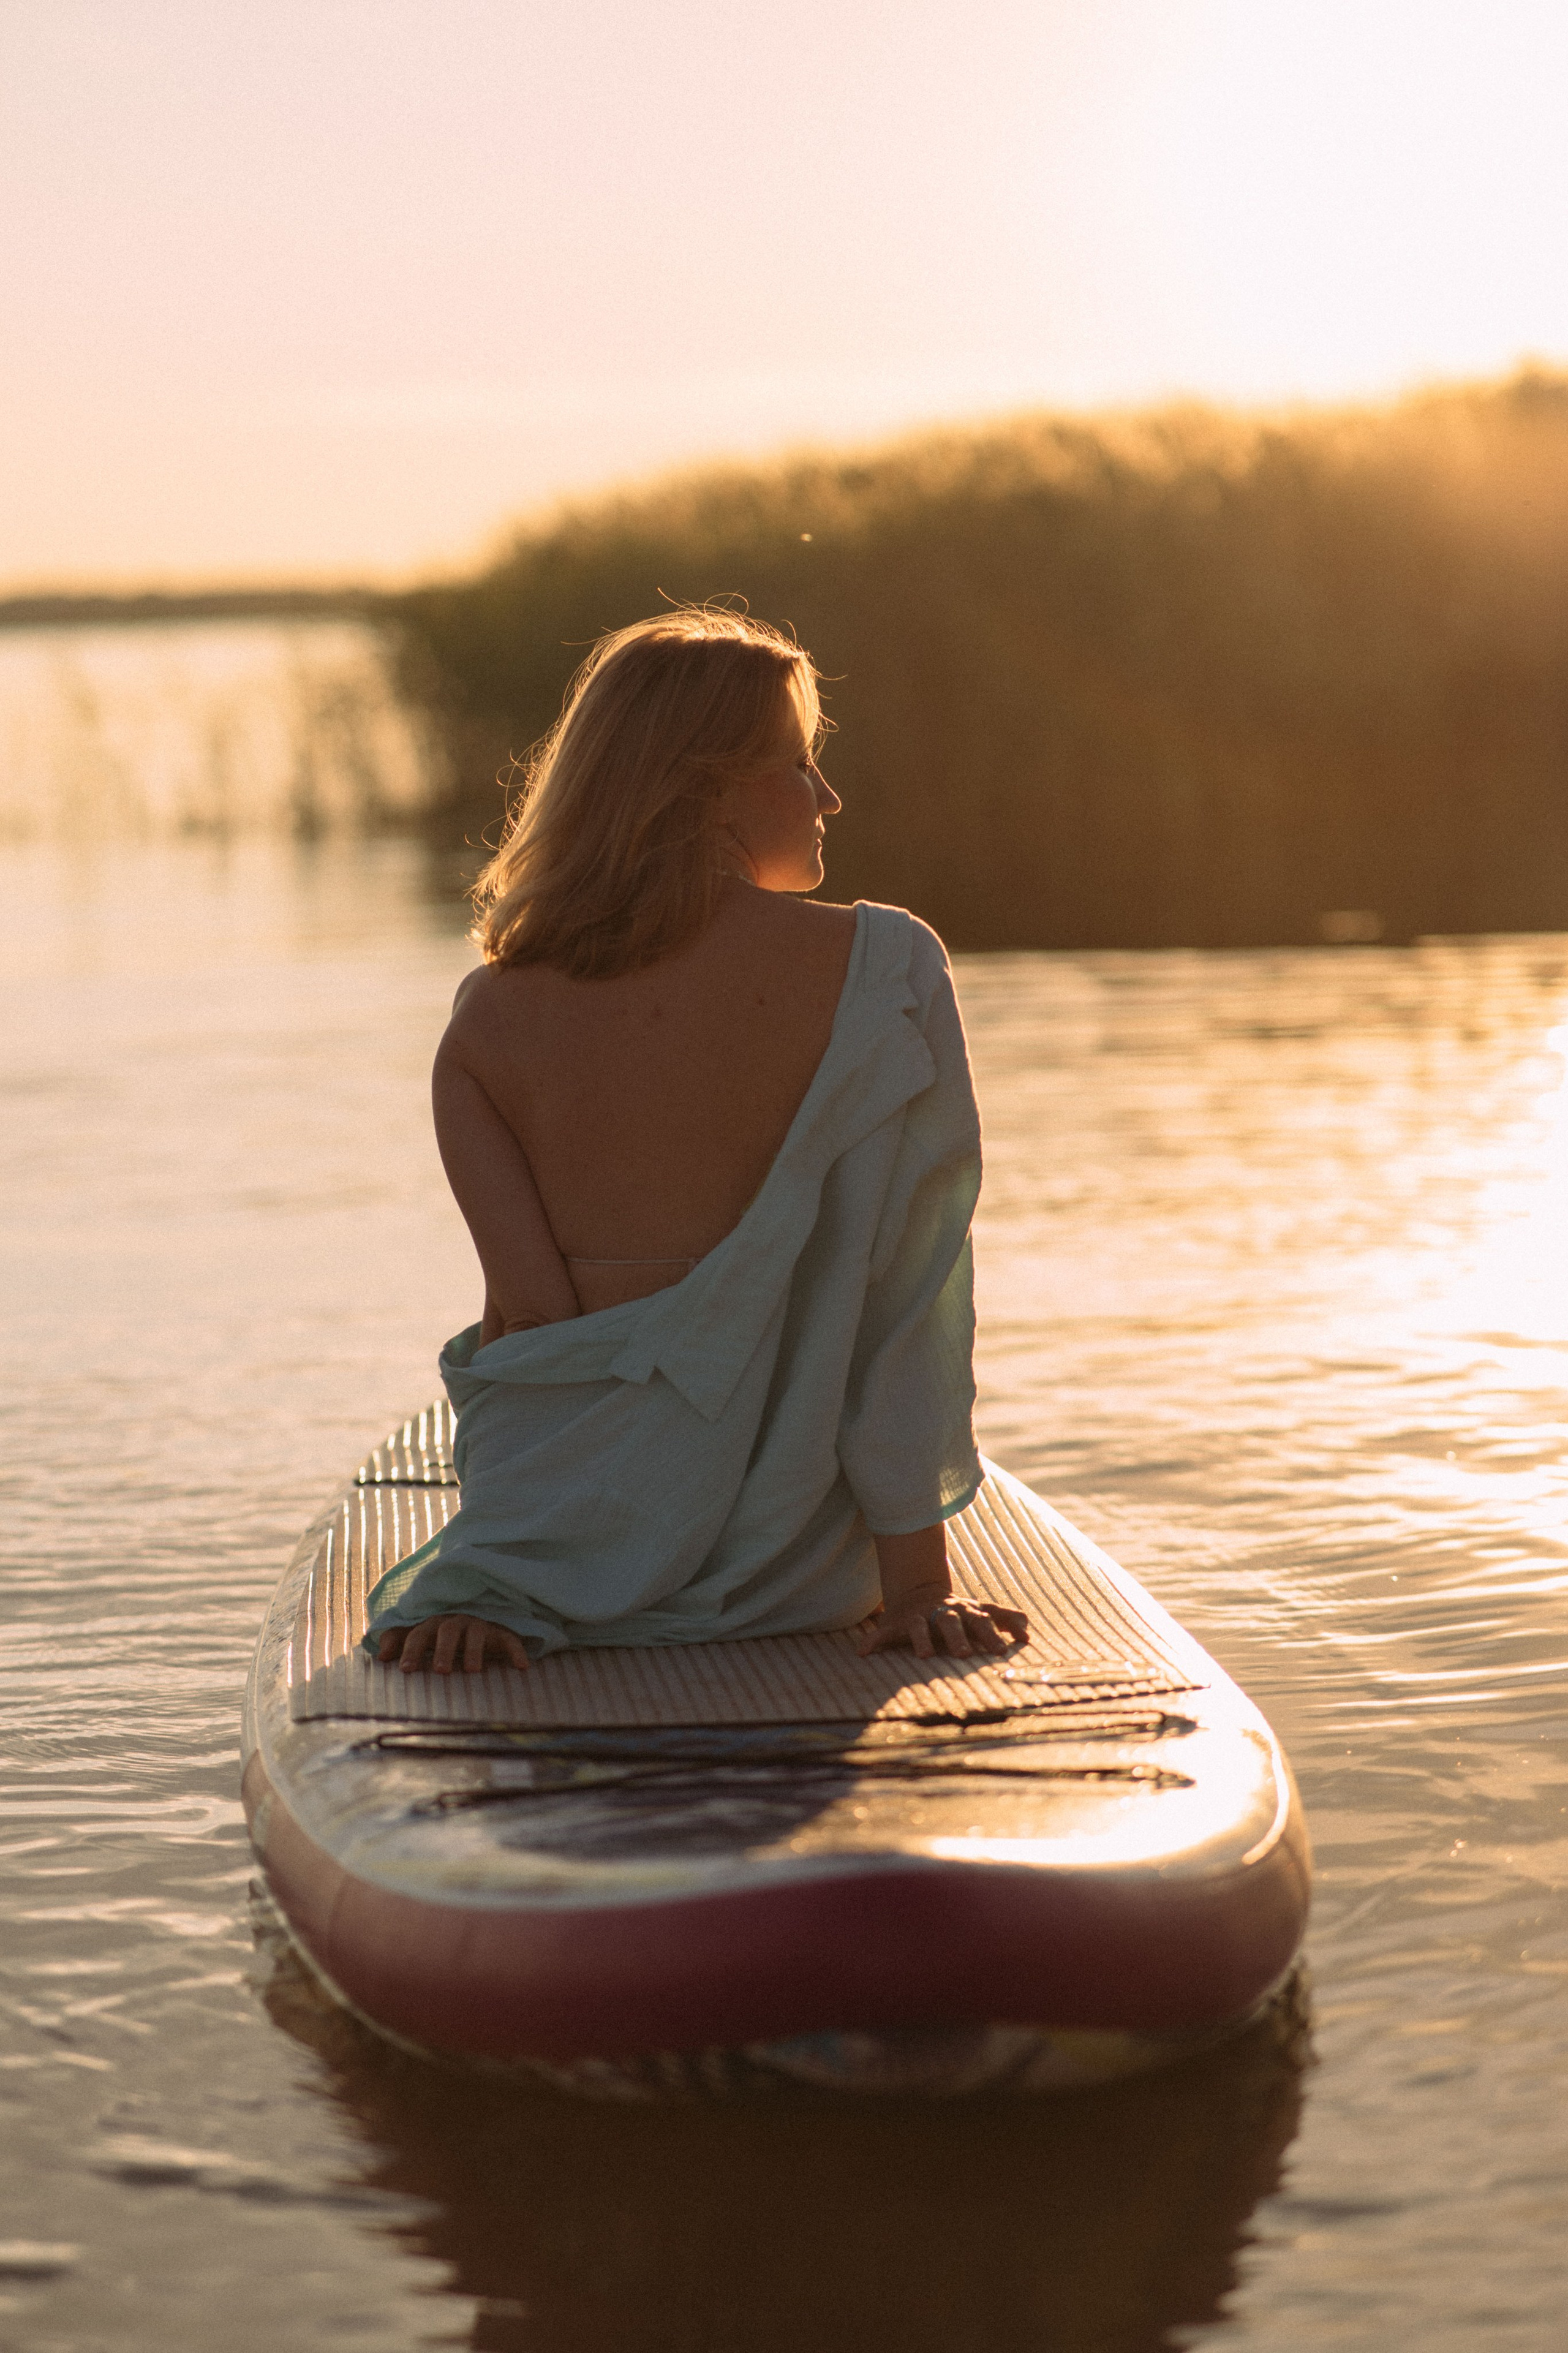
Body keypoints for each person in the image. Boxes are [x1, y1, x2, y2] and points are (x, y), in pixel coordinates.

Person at [363, 607, 1027, 1674]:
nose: (828, 797)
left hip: (562, 1559)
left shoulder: (488, 1021)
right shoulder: (890, 974)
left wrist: (492, 1579)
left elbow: (534, 1334)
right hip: (800, 1570)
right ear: (705, 787)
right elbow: (906, 1311)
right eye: (799, 765)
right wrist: (919, 1588)